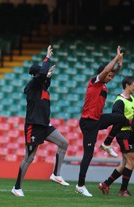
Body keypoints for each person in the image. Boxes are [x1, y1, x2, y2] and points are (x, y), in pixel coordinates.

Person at [11, 45, 69, 197]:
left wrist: (49, 75)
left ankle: (56, 174)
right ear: (36, 76)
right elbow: (43, 73)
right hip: (34, 126)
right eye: (42, 75)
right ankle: (17, 187)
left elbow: (46, 77)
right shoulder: (32, 86)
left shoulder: (42, 87)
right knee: (29, 157)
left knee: (64, 143)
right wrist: (47, 58)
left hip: (45, 125)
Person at [75, 46, 126, 197]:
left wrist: (119, 67)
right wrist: (116, 58)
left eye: (111, 76)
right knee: (88, 155)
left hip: (97, 119)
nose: (110, 78)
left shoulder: (103, 84)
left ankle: (107, 143)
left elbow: (110, 73)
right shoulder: (95, 82)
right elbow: (105, 72)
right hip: (88, 122)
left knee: (121, 118)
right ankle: (80, 185)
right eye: (108, 75)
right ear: (102, 73)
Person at [98, 76, 133, 197]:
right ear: (127, 85)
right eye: (133, 85)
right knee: (130, 161)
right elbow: (117, 119)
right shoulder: (119, 101)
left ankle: (105, 184)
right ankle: (123, 190)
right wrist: (130, 122)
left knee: (125, 163)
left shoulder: (132, 99)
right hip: (123, 134)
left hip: (130, 134)